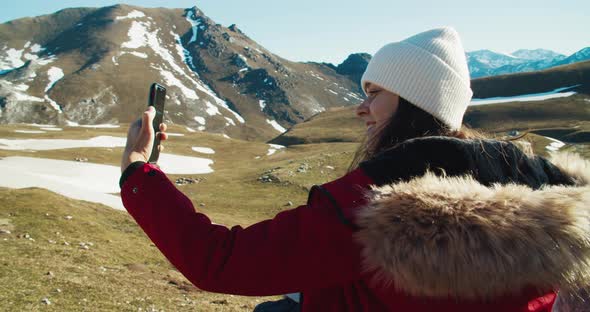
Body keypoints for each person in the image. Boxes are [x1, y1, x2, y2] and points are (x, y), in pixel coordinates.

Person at [120, 27, 590, 311]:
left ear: (413, 101)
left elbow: (219, 261)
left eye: (374, 92)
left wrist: (138, 173)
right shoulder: (546, 196)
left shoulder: (385, 205)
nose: (360, 109)